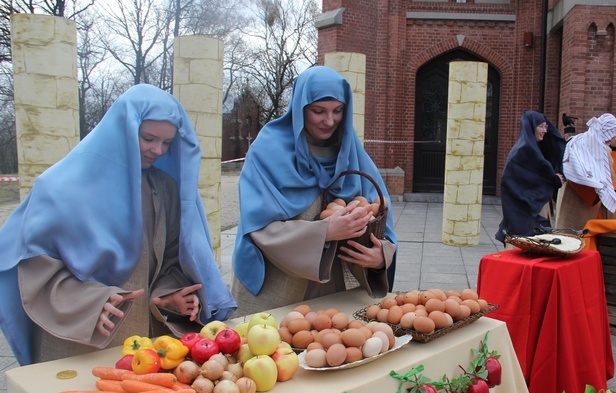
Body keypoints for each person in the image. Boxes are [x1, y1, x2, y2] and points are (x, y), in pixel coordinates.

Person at [0, 84, 236, 365]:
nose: (157, 150)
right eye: (148, 138)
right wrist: (88, 303)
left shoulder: (166, 189)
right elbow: (33, 266)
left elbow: (172, 259)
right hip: (79, 342)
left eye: (167, 143)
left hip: (145, 347)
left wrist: (166, 296)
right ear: (123, 129)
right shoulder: (60, 187)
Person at [231, 66, 397, 315]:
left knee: (332, 348)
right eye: (318, 111)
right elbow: (258, 227)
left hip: (335, 291)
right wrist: (325, 231)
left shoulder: (351, 150)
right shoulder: (267, 150)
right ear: (300, 108)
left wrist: (380, 257)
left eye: (338, 111)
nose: (329, 121)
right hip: (279, 289)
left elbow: (378, 210)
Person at [495, 110, 566, 245]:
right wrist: (552, 180)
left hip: (536, 206)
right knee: (523, 244)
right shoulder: (523, 151)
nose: (545, 130)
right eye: (541, 126)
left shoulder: (532, 149)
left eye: (546, 127)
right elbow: (519, 180)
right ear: (531, 127)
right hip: (525, 210)